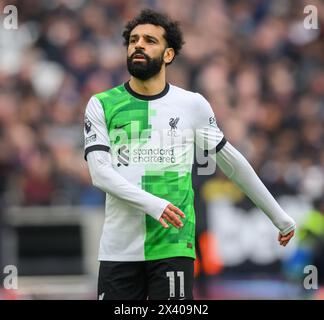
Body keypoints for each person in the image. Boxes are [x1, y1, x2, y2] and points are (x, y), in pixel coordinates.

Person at [83, 9, 296, 300]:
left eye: (149, 40)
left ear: (168, 55)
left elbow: (232, 163)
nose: (138, 45)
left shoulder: (191, 105)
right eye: (133, 40)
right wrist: (154, 205)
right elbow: (100, 173)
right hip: (118, 248)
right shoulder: (102, 104)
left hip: (173, 245)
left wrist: (278, 216)